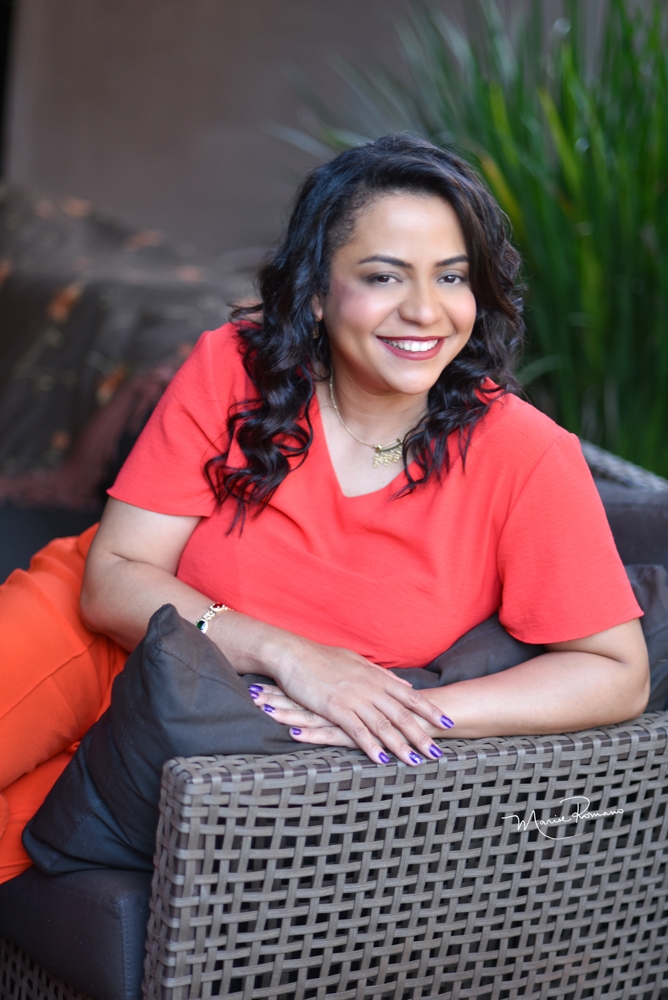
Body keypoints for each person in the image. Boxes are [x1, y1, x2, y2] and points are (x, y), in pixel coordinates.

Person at [0, 134, 649, 883]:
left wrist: (414, 714)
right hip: (96, 646)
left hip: (216, 730)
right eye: (383, 276)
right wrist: (293, 655)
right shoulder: (235, 365)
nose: (425, 311)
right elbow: (113, 576)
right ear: (316, 293)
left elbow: (615, 671)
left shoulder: (526, 455)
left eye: (451, 277)